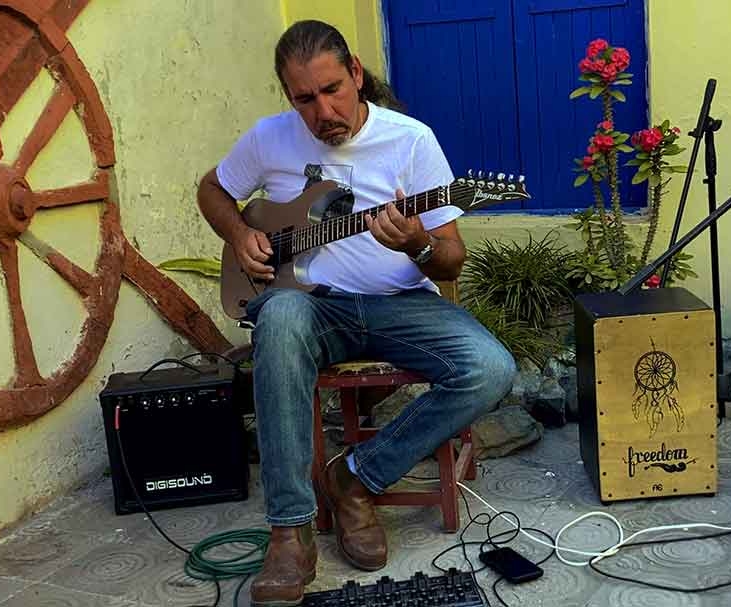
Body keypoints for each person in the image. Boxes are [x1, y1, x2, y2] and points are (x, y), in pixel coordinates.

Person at [197, 20, 516, 607]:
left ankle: (354, 478)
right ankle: (290, 532)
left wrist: (416, 244)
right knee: (280, 318)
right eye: (305, 99)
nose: (324, 112)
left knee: (491, 368)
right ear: (288, 96)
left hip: (400, 306)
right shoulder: (268, 139)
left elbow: (450, 261)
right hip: (310, 307)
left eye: (333, 90)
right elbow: (211, 190)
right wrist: (240, 234)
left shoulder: (411, 140)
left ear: (356, 73)